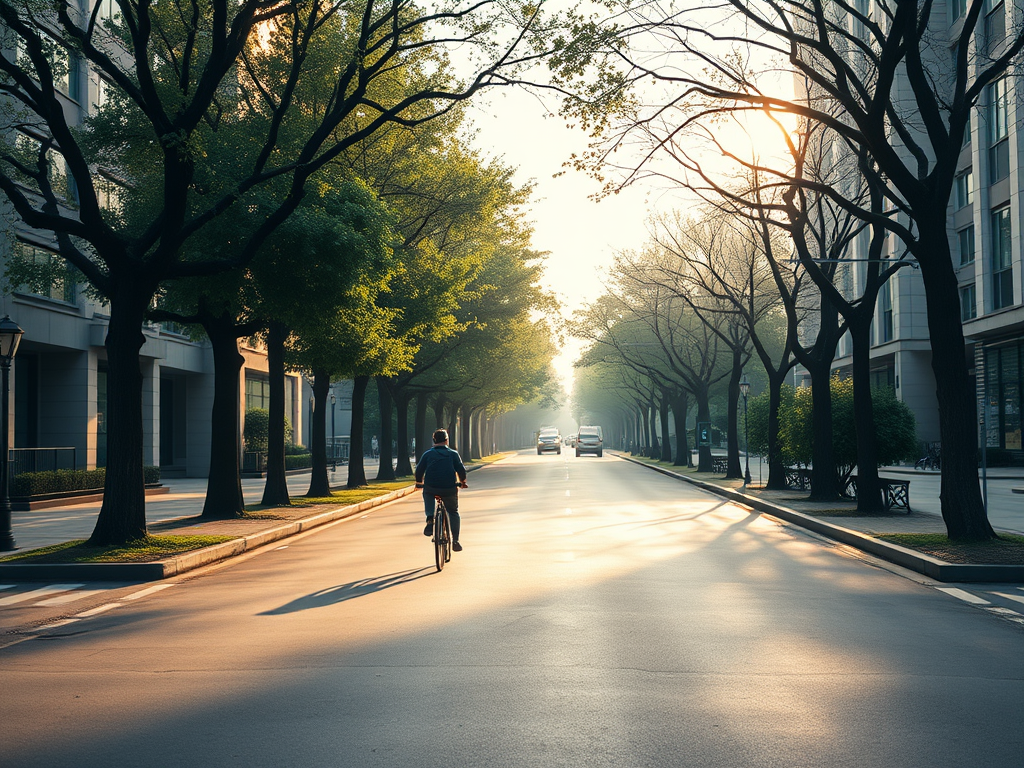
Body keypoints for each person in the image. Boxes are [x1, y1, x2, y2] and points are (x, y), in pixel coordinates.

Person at [415, 428, 468, 551]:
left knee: (427, 493)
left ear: (434, 440)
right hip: (449, 488)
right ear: (446, 440)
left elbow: (419, 470)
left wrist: (418, 483)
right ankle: (455, 541)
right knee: (453, 512)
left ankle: (429, 518)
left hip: (431, 487)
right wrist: (463, 482)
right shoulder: (453, 454)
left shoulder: (427, 454)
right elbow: (461, 470)